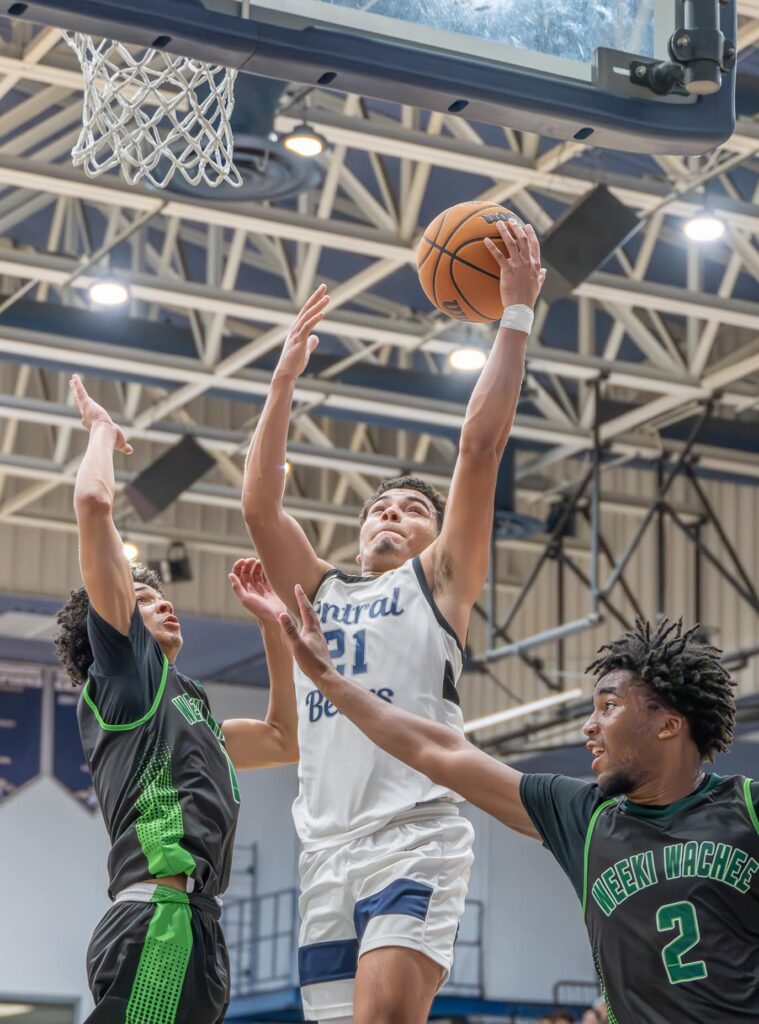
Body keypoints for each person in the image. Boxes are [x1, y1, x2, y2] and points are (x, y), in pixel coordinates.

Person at [242, 219, 545, 1023]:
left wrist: (513, 314)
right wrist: (282, 383)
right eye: (379, 505)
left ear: (432, 535)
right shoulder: (318, 591)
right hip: (325, 853)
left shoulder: (440, 581)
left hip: (413, 832)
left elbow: (478, 449)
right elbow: (259, 505)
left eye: (412, 509)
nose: (390, 513)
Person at [279, 599, 759, 1023]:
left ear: (669, 726)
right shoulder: (584, 817)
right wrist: (329, 679)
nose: (589, 727)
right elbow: (442, 752)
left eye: (608, 707)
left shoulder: (748, 809)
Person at [54, 376, 299, 1023]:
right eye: (142, 597)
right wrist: (101, 432)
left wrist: (274, 627)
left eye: (163, 592)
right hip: (157, 918)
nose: (162, 599)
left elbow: (282, 739)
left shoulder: (186, 705)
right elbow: (92, 505)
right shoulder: (126, 680)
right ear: (110, 629)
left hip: (199, 925)